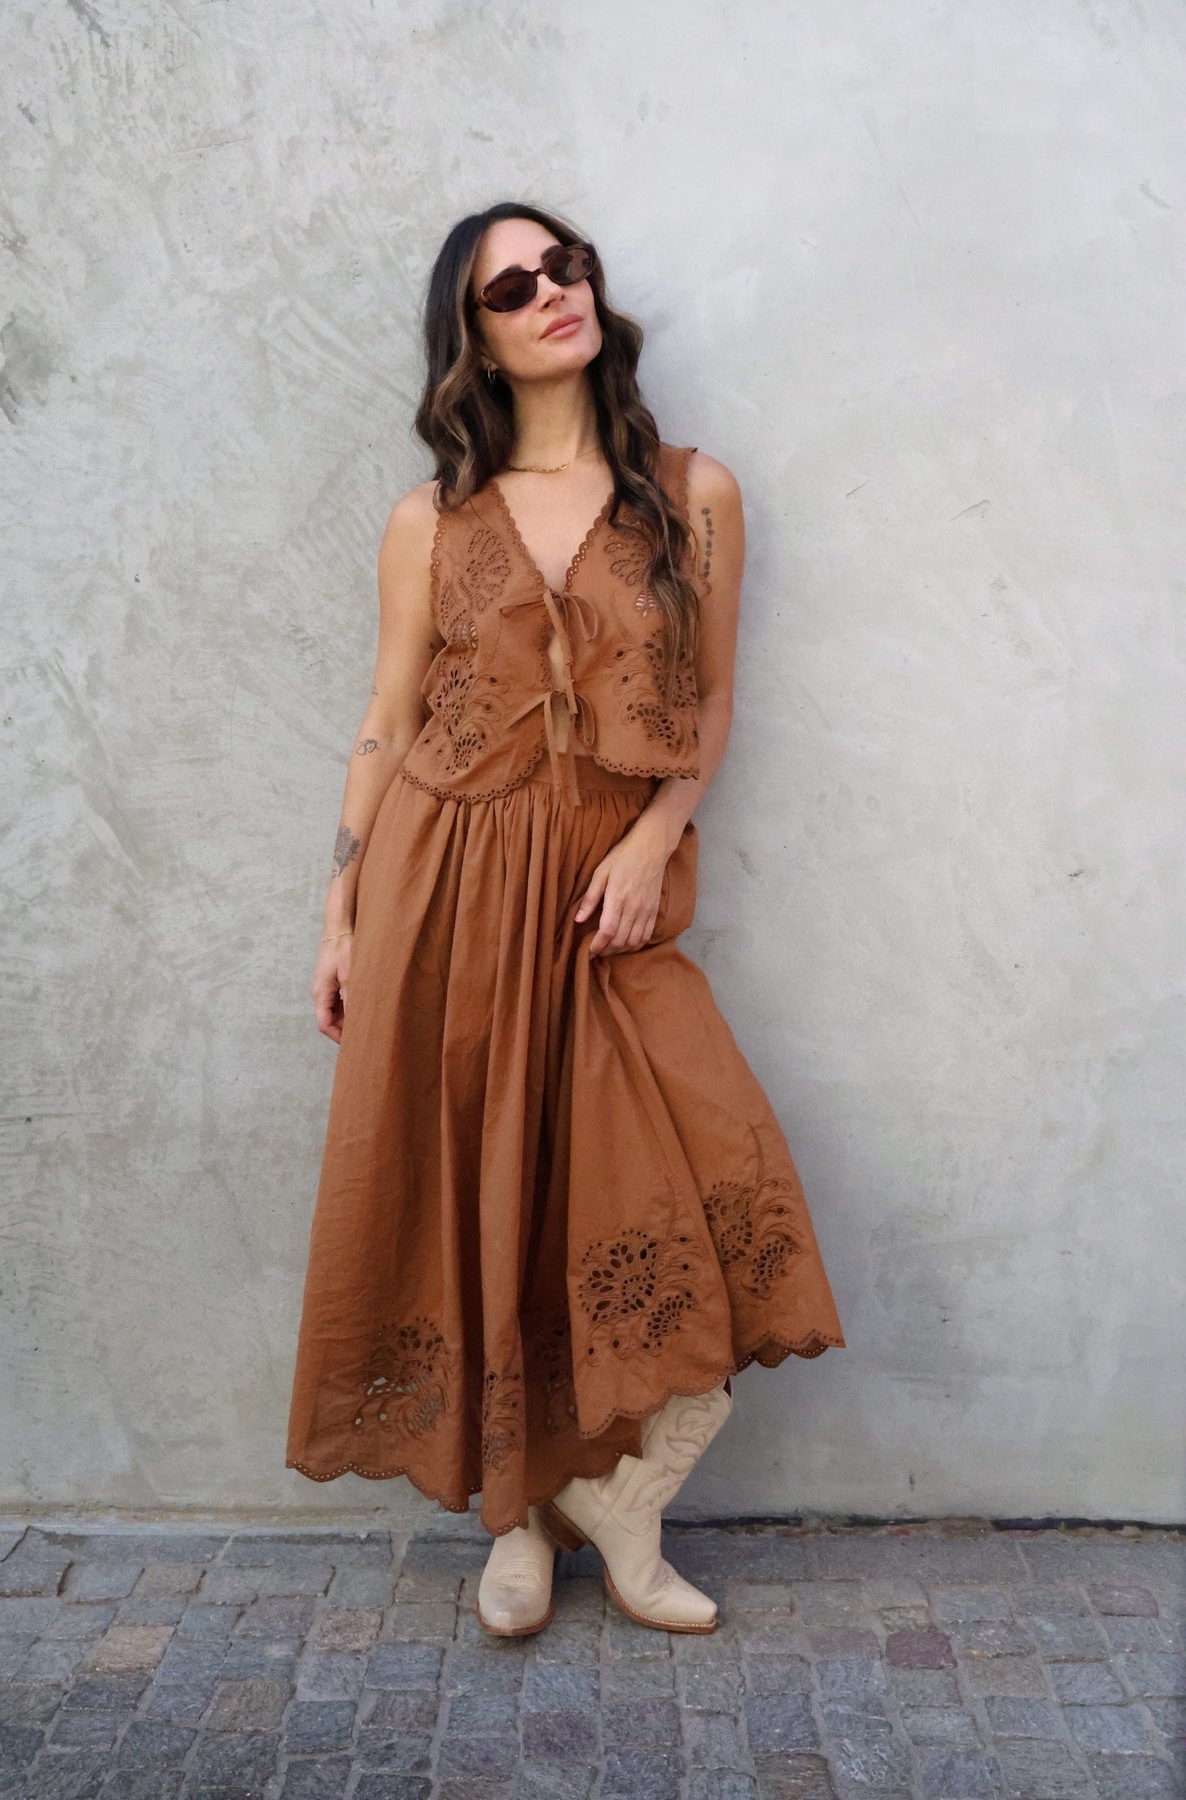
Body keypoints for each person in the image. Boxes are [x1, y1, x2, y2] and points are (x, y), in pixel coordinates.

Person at [286, 201, 845, 1638]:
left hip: (609, 897)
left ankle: (626, 1502)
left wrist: (659, 835)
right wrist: (342, 906)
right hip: (447, 889)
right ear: (472, 335)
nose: (554, 293)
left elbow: (711, 702)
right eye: (513, 285)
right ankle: (516, 1529)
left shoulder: (691, 491)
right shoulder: (432, 519)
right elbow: (386, 714)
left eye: (566, 264)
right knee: (491, 1206)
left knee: (697, 1180)